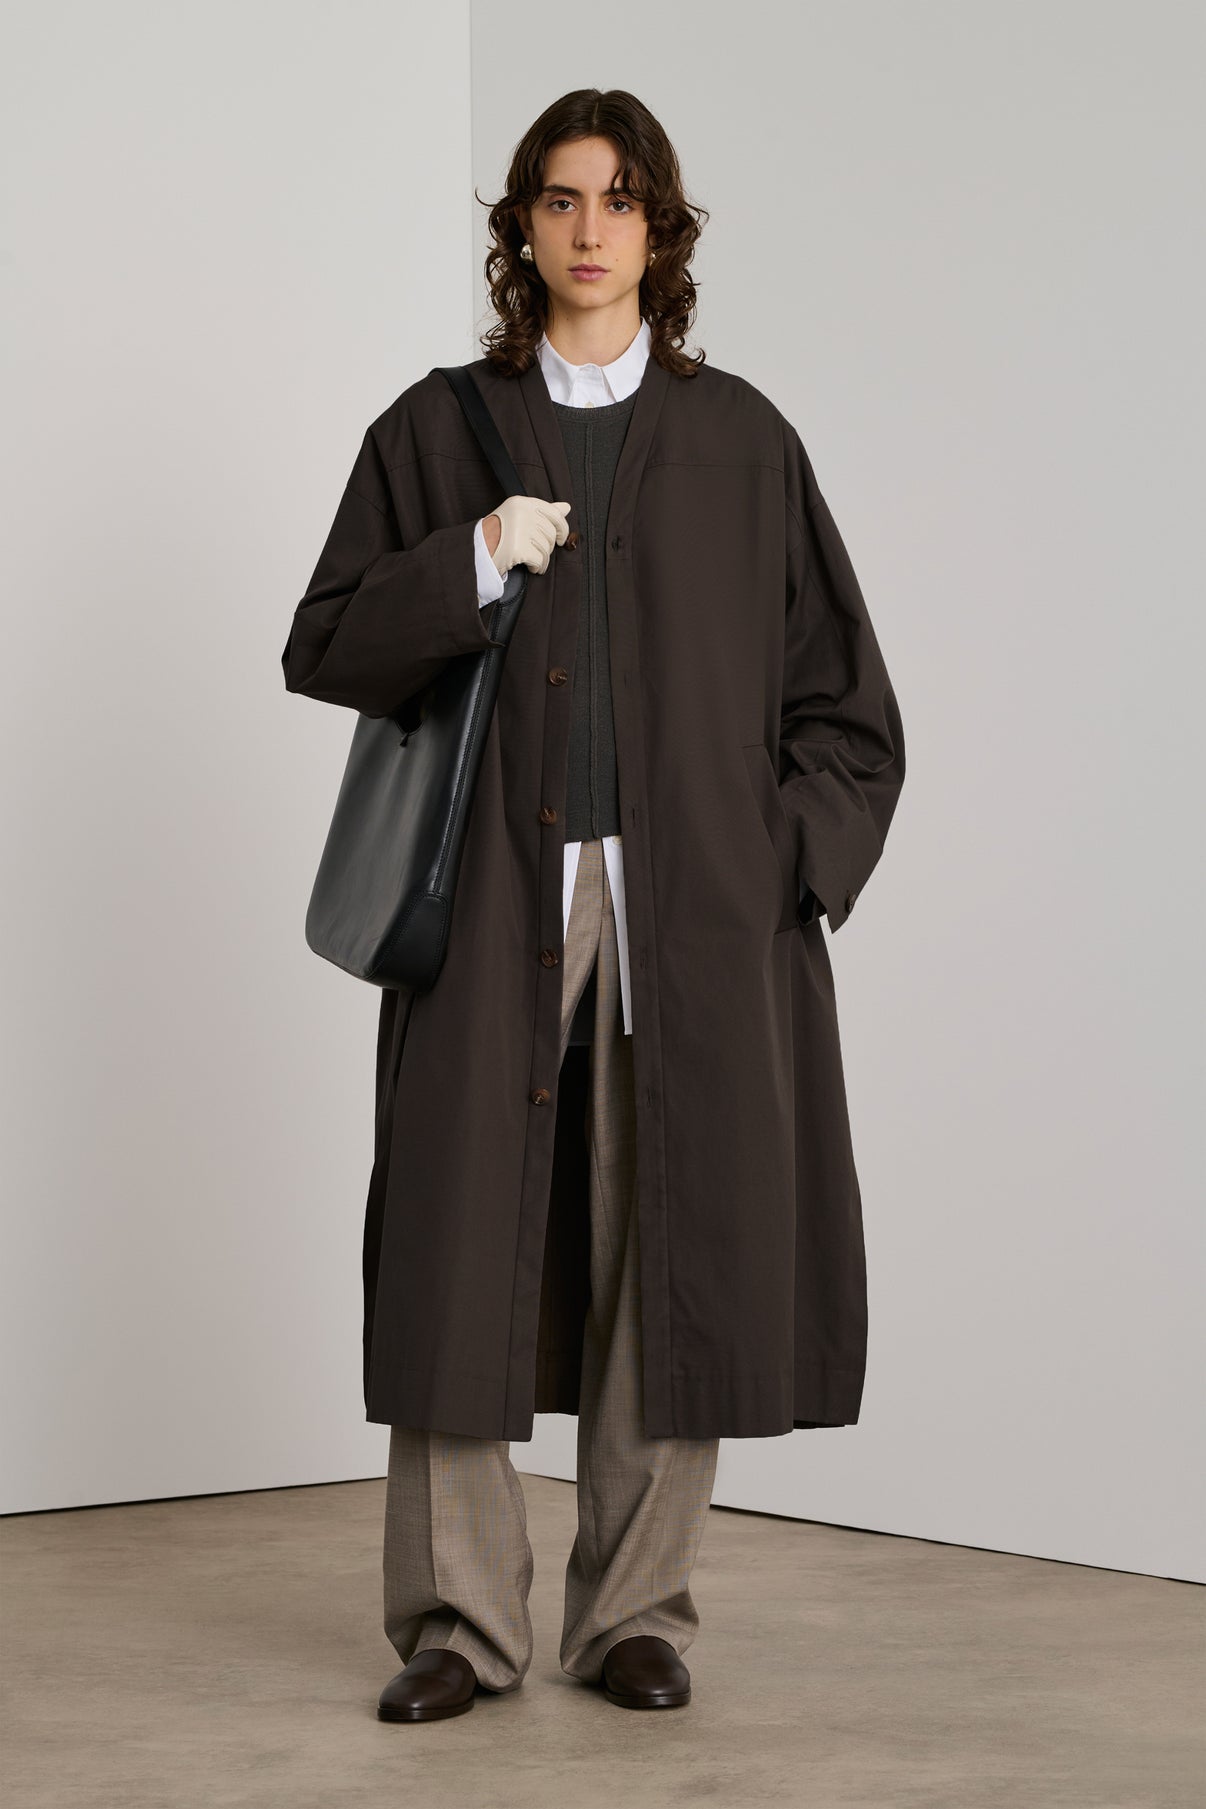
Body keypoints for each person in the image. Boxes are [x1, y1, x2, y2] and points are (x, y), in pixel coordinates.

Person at [282, 87, 906, 1723]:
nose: (587, 229)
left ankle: (633, 1611)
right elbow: (324, 642)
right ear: (520, 228)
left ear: (660, 230)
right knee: (457, 1235)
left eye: (618, 200)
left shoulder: (742, 442)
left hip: (688, 915)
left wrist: (780, 865)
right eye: (559, 199)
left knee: (672, 1238)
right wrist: (473, 557)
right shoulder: (436, 433)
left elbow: (846, 712)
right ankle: (458, 1624)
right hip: (495, 898)